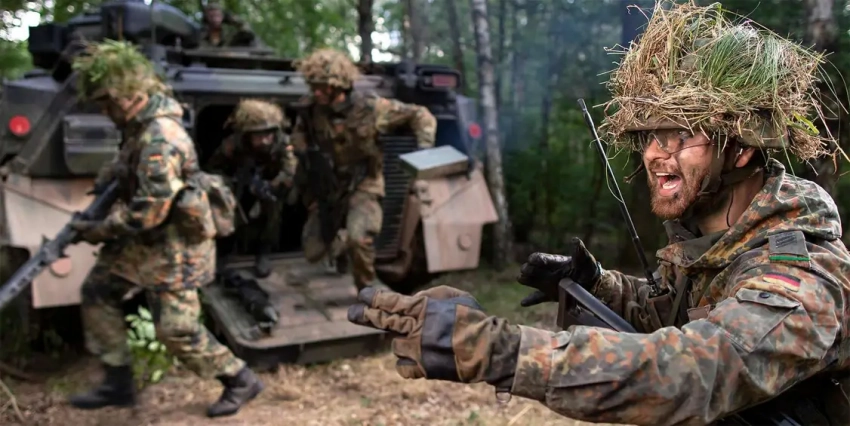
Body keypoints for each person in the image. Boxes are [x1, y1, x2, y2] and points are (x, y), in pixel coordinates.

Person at [345, 2, 850, 425]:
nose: (654, 154)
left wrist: (501, 353)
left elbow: (694, 369)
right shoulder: (710, 237)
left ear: (740, 151)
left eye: (679, 134)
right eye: (649, 135)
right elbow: (671, 316)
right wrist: (597, 284)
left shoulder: (799, 272)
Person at [68, 39, 263, 418]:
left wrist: (98, 230)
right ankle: (118, 381)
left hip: (177, 245)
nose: (105, 111)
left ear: (129, 95)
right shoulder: (137, 127)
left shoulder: (160, 137)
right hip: (148, 239)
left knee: (176, 330)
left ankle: (239, 378)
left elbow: (147, 213)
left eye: (107, 102)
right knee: (98, 290)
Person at [290, 47, 437, 291]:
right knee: (312, 251)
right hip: (330, 186)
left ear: (338, 85)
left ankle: (366, 290)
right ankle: (339, 245)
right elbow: (299, 132)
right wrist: (304, 152)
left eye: (321, 86)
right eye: (312, 85)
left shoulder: (372, 108)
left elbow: (421, 115)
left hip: (364, 183)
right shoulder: (311, 109)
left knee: (360, 238)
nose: (315, 91)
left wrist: (423, 150)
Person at [205, 98, 297, 278]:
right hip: (239, 186)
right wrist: (228, 183)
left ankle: (264, 252)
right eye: (258, 136)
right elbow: (212, 168)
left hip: (269, 187)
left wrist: (273, 184)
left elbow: (291, 170)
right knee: (228, 209)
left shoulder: (282, 144)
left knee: (272, 212)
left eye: (268, 135)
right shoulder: (233, 145)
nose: (264, 141)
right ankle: (224, 252)